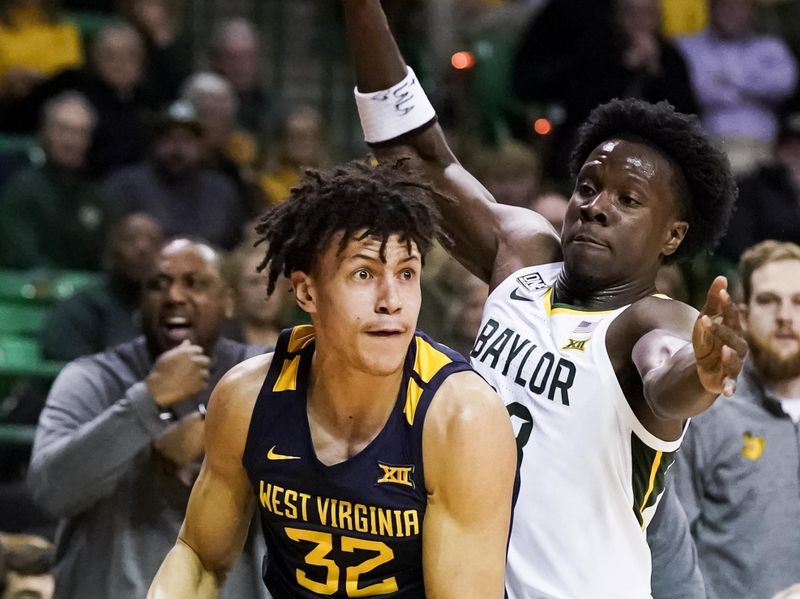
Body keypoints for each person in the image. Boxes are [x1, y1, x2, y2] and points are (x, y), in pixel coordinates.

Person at [341, 1, 745, 597]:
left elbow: (668, 373)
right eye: (588, 186)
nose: (596, 205)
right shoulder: (523, 255)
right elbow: (415, 152)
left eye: (628, 201)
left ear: (673, 235)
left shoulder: (649, 321)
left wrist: (703, 371)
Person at [147, 161, 517, 598]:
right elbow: (200, 559)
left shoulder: (461, 418)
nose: (391, 301)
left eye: (406, 274)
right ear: (306, 292)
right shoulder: (248, 397)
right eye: (364, 274)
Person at [27, 238, 269, 599]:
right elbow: (51, 492)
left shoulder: (263, 376)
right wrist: (147, 405)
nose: (174, 296)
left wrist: (222, 439)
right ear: (141, 303)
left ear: (229, 300)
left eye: (195, 283)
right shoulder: (93, 378)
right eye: (157, 285)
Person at [673, 240, 800, 599]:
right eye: (769, 300)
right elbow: (669, 548)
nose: (785, 316)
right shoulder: (706, 411)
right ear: (742, 315)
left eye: (798, 302)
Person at [103, 100, 247, 250]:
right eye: (170, 138)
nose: (178, 149)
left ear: (201, 146)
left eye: (187, 140)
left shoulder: (222, 192)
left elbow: (236, 247)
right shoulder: (126, 186)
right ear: (156, 142)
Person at [676, 0, 798, 174]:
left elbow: (784, 84)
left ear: (752, 11)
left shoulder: (771, 47)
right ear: (711, 9)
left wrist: (727, 81)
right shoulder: (689, 47)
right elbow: (699, 91)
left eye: (740, 6)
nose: (732, 12)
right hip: (711, 144)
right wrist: (754, 85)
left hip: (765, 145)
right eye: (725, 6)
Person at [0, 91, 114, 270]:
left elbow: (109, 259)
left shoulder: (97, 197)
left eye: (80, 133)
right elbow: (21, 258)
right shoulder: (22, 190)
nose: (71, 141)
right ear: (44, 133)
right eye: (63, 130)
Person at [40, 213, 164, 361]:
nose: (142, 248)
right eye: (130, 239)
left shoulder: (170, 309)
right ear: (111, 250)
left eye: (152, 241)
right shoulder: (82, 307)